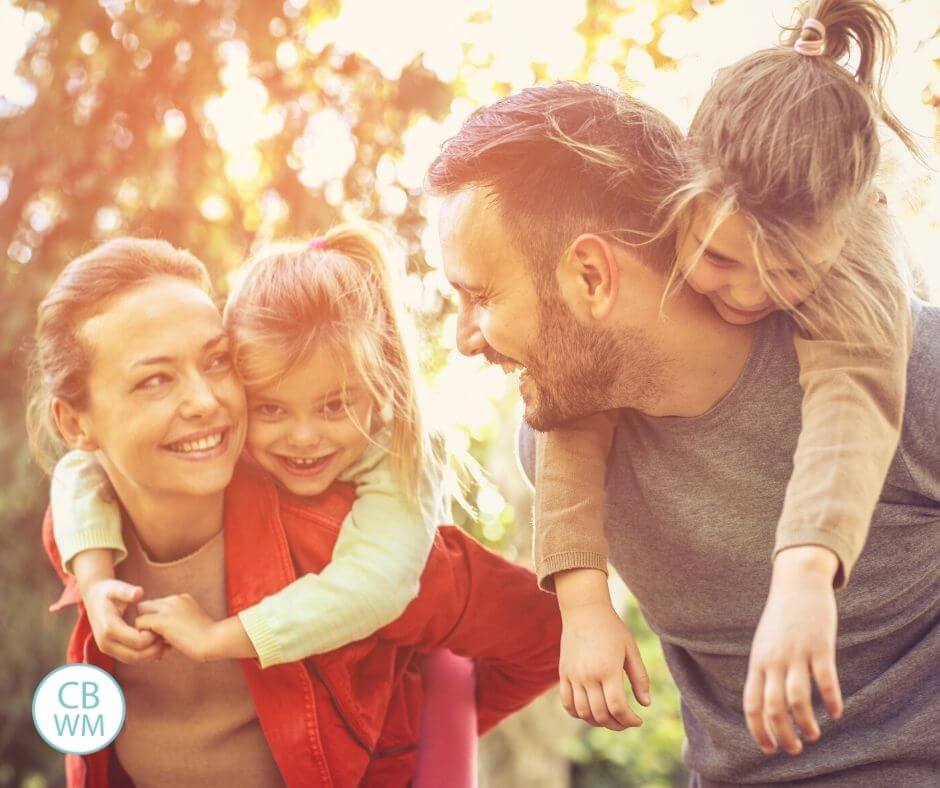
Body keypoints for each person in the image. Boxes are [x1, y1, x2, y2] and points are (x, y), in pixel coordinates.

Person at [428, 73, 939, 788]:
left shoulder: (901, 369)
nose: (463, 340)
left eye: (480, 297)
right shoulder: (554, 446)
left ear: (592, 277)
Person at [527, 0, 919, 759]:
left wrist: (806, 573)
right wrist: (582, 600)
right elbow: (579, 395)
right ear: (682, 193)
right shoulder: (667, 208)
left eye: (790, 273)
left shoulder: (857, 250)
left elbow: (853, 405)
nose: (746, 296)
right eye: (721, 262)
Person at [29, 236, 561, 787]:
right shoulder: (84, 534)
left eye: (216, 362)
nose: (206, 401)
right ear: (74, 425)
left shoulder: (342, 544)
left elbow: (549, 637)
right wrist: (92, 582)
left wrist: (415, 738)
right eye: (155, 379)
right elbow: (76, 476)